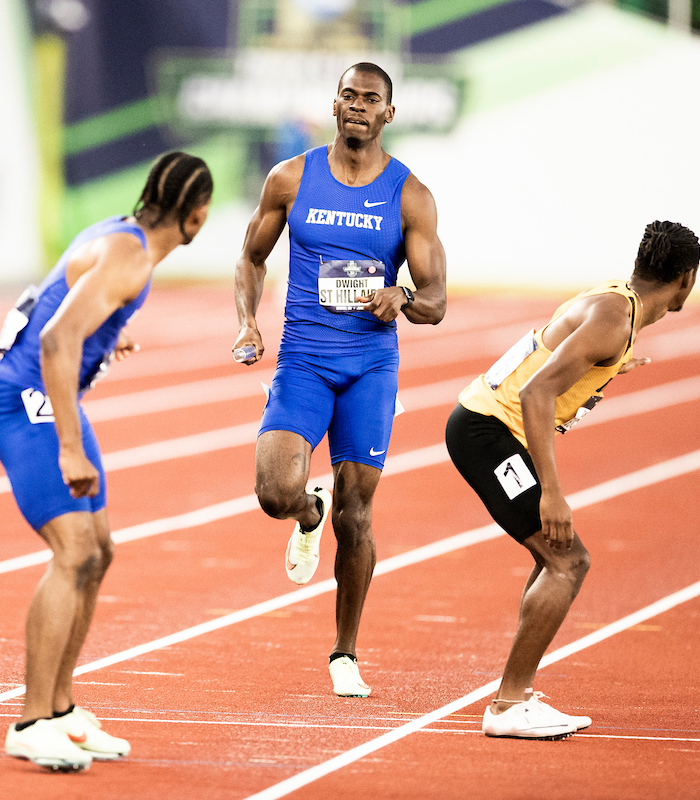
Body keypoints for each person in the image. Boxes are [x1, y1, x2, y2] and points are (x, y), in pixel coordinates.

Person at [0, 151, 213, 771]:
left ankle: (60, 711)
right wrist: (69, 446)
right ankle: (31, 721)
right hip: (22, 399)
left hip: (45, 396)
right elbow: (56, 337)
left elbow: (61, 302)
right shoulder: (130, 257)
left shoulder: (119, 234)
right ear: (197, 215)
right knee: (75, 552)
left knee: (100, 551)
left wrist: (107, 332)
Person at [232, 62, 446, 698]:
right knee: (275, 491)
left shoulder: (410, 195)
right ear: (334, 105)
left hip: (370, 367)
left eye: (370, 99)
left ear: (389, 113)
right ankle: (308, 512)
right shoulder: (291, 178)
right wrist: (248, 322)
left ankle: (344, 652)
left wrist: (403, 296)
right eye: (349, 95)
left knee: (357, 514)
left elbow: (436, 298)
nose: (357, 106)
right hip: (303, 358)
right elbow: (251, 257)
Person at [446, 221, 700, 739]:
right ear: (687, 279)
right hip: (487, 431)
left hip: (488, 425)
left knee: (554, 559)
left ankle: (517, 695)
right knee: (568, 561)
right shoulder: (614, 321)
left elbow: (552, 350)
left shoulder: (615, 301)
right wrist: (552, 493)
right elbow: (535, 393)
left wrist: (607, 367)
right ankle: (508, 705)